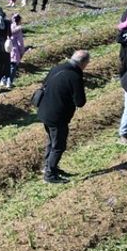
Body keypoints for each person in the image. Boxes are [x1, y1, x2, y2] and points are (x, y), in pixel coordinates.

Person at [37, 51, 90, 184]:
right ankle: (49, 175)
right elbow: (80, 102)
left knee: (51, 141)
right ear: (83, 63)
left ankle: (48, 167)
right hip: (58, 116)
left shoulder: (57, 68)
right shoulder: (74, 76)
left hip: (44, 111)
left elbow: (45, 84)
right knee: (59, 145)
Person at [5, 13, 26, 88]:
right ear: (19, 20)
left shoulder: (7, 27)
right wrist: (22, 51)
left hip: (6, 49)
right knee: (12, 67)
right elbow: (20, 43)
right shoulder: (18, 30)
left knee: (5, 66)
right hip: (14, 50)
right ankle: (9, 82)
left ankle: (3, 80)